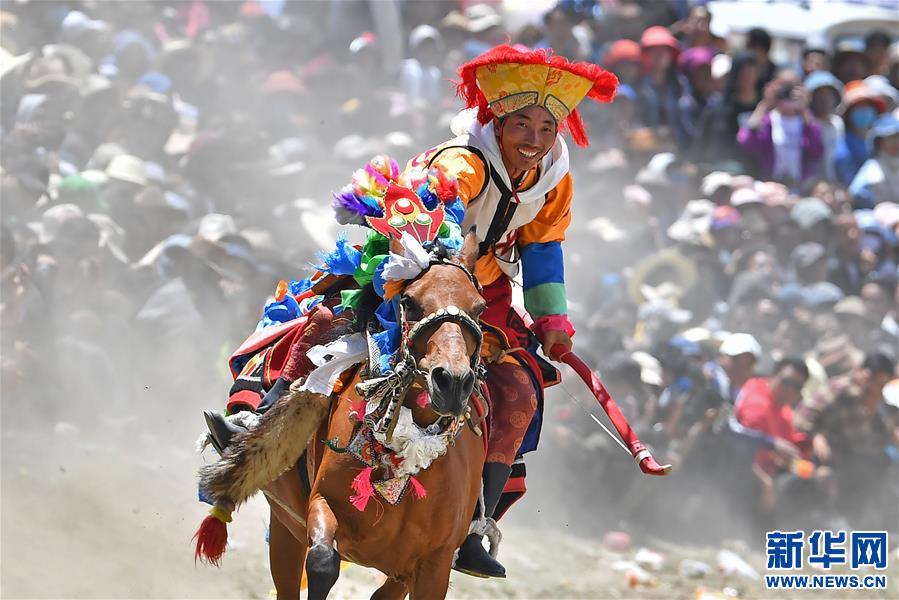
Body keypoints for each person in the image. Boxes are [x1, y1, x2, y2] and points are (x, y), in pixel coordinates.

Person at [403, 44, 618, 578]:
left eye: (547, 129)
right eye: (522, 124)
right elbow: (440, 205)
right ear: (497, 121)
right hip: (418, 277)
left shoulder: (554, 177)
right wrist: (446, 270)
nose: (535, 140)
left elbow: (544, 248)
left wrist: (550, 322)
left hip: (487, 298)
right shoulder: (464, 159)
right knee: (331, 335)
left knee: (518, 391)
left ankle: (475, 526)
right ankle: (256, 419)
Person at [737, 71, 823, 187]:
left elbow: (816, 152)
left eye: (793, 88)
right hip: (771, 185)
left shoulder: (807, 122)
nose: (788, 93)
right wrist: (764, 104)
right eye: (783, 87)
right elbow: (746, 143)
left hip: (800, 186)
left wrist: (804, 109)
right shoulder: (767, 120)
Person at [849, 113, 899, 208]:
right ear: (879, 143)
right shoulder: (874, 174)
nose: (896, 142)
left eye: (898, 137)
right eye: (890, 138)